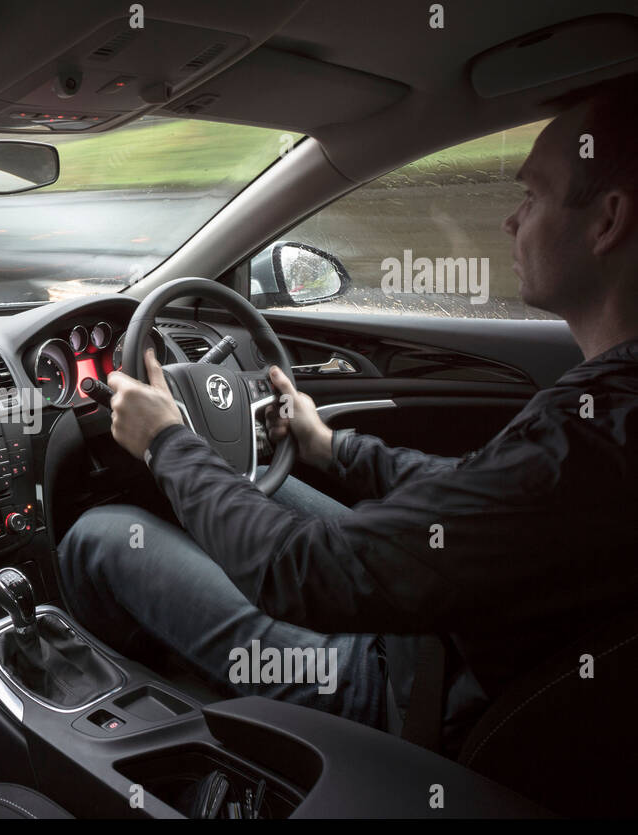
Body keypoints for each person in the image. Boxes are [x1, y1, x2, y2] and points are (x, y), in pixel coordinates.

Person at [58, 73, 638, 753]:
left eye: (533, 195)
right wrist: (332, 448)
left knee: (102, 536)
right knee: (246, 486)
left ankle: (121, 742)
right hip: (454, 634)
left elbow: (298, 573)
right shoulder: (605, 414)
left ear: (607, 221)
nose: (511, 219)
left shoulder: (589, 442)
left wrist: (166, 443)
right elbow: (478, 494)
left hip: (417, 695)